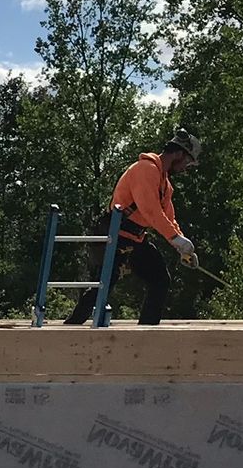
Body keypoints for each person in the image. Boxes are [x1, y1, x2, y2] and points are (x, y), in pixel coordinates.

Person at [65, 127, 202, 326]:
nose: (185, 168)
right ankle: (72, 326)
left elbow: (168, 218)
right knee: (103, 285)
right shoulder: (146, 169)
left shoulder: (165, 184)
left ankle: (147, 330)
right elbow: (151, 211)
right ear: (179, 153)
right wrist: (176, 239)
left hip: (135, 239)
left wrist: (182, 248)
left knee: (159, 278)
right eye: (187, 162)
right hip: (115, 235)